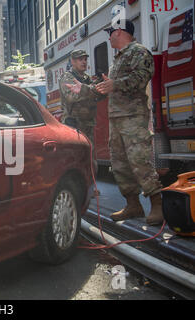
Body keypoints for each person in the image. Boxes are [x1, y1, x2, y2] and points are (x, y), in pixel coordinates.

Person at [94, 20, 164, 225]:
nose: (108, 37)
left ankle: (157, 205)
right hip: (117, 118)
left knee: (139, 161)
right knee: (119, 164)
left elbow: (142, 77)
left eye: (111, 33)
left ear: (120, 32)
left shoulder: (139, 52)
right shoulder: (118, 59)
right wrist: (88, 89)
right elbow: (111, 87)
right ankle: (133, 205)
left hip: (133, 117)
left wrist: (114, 84)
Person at [60, 49, 105, 186]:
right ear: (73, 61)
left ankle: (91, 186)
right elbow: (71, 96)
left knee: (90, 157)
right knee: (74, 157)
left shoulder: (87, 79)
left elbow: (98, 95)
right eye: (80, 59)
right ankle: (74, 186)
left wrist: (95, 88)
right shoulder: (67, 77)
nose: (84, 62)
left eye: (85, 59)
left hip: (88, 123)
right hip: (73, 124)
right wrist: (90, 89)